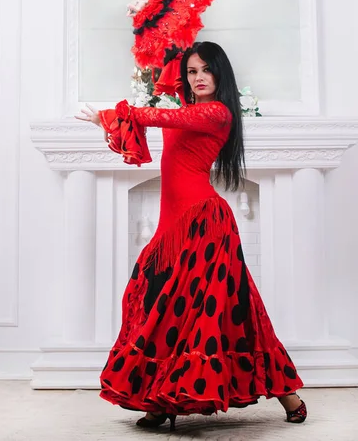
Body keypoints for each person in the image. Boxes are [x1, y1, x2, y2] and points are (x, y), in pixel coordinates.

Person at [75, 41, 307, 430]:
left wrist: (111, 115)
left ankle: (287, 394)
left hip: (204, 224)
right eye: (192, 71)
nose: (198, 78)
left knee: (226, 312)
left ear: (221, 75)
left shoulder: (216, 113)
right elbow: (158, 109)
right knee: (156, 301)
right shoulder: (189, 110)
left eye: (205, 70)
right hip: (173, 226)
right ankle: (162, 400)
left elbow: (153, 118)